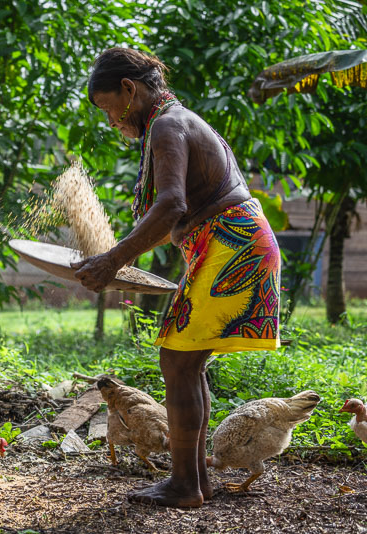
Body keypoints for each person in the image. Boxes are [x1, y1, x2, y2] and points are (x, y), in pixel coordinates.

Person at [72, 48, 281, 508]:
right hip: (230, 244)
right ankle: (195, 480)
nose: (110, 120)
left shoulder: (167, 125)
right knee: (184, 362)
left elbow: (171, 206)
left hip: (232, 246)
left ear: (129, 90)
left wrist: (111, 260)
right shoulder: (171, 121)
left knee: (177, 361)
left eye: (108, 107)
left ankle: (185, 485)